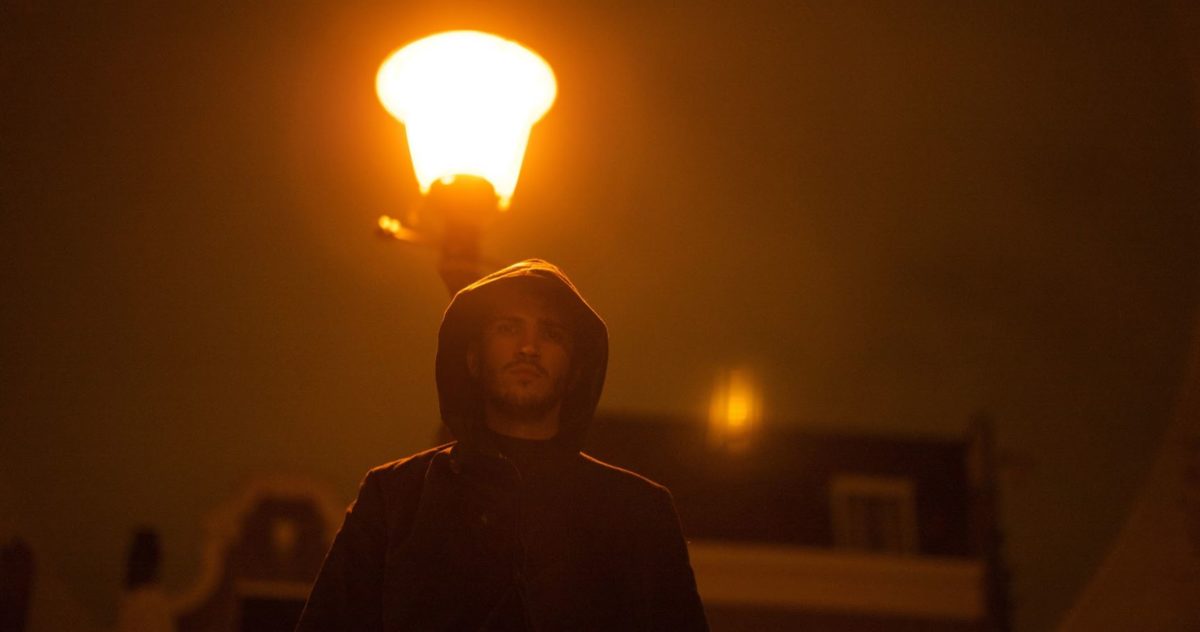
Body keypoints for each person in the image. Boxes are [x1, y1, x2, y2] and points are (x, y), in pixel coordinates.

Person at [296, 259, 708, 631]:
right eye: (508, 328)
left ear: (577, 370)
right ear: (472, 359)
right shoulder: (395, 499)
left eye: (551, 333)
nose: (528, 348)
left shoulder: (639, 515)